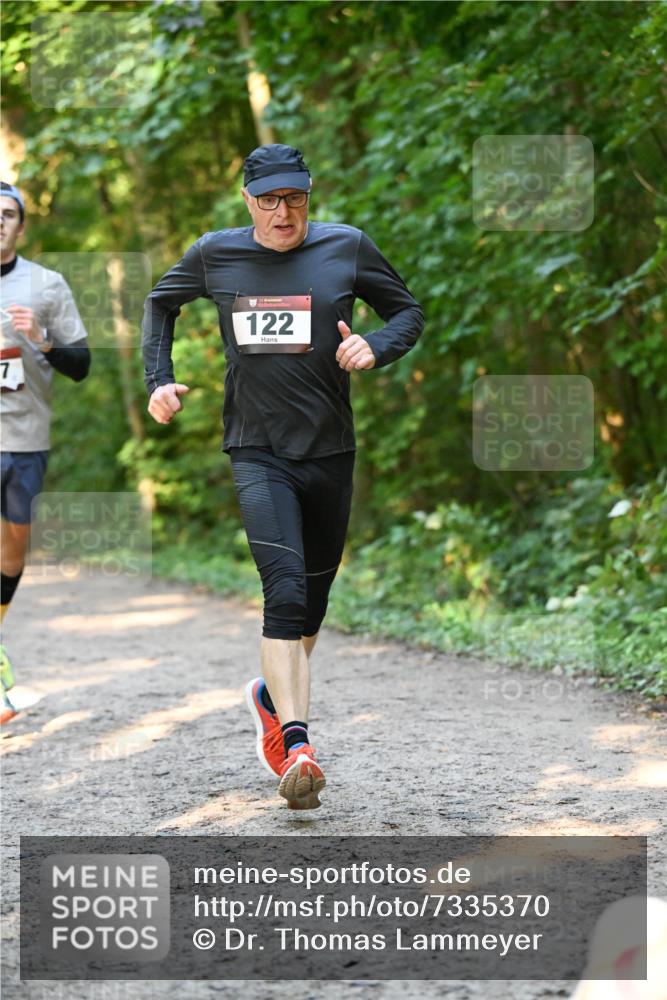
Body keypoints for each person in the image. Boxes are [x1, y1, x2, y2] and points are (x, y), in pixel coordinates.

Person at [142, 144, 424, 808]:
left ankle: (268, 697)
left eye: (293, 198)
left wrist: (375, 345)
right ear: (247, 201)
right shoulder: (216, 254)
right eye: (267, 199)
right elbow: (160, 304)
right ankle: (296, 742)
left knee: (314, 605)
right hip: (256, 447)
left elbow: (406, 312)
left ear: (308, 196)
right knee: (285, 590)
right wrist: (159, 381)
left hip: (329, 450)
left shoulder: (346, 247)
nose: (282, 212)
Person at [0, 181, 91, 723]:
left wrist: (45, 340)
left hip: (28, 439)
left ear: (22, 226)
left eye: (8, 214)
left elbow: (81, 365)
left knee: (13, 553)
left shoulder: (46, 285)